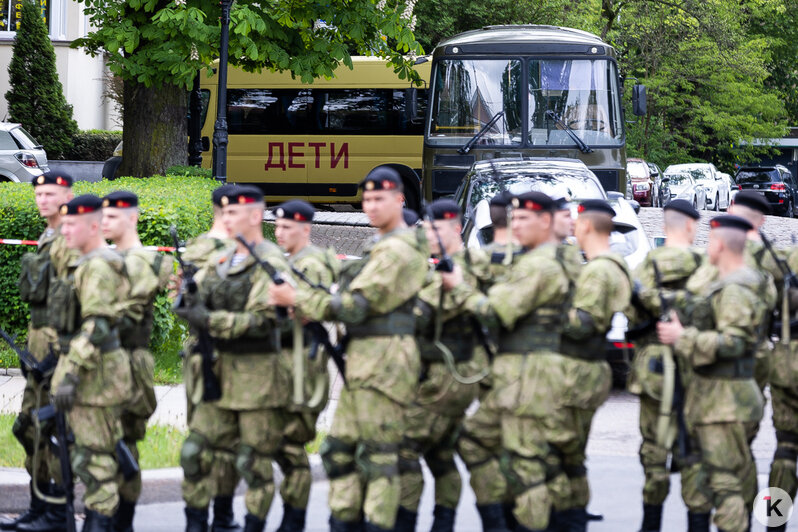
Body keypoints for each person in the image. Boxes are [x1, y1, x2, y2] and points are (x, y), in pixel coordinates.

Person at [269, 167, 428, 532]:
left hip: (386, 364)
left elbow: (356, 305)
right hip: (362, 360)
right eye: (366, 199)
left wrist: (301, 299)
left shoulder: (399, 251)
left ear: (398, 199)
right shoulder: (379, 246)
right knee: (338, 452)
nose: (370, 206)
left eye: (379, 199)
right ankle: (345, 521)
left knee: (379, 456)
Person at [441, 191, 572, 532]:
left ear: (545, 222)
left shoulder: (540, 264)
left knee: (526, 464)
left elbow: (496, 310)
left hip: (531, 374)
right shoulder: (532, 260)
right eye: (515, 217)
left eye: (525, 218)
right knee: (475, 440)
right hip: (516, 373)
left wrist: (459, 287)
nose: (516, 224)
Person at [176, 185, 297, 532]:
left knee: (253, 463)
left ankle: (247, 524)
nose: (225, 219)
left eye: (234, 214)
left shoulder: (269, 261)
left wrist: (211, 320)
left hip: (256, 378)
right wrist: (187, 299)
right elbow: (194, 296)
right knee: (196, 453)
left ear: (256, 216)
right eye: (224, 213)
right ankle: (199, 524)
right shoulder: (223, 259)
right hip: (219, 371)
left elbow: (263, 319)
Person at [658, 215, 774, 532]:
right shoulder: (745, 281)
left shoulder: (736, 288)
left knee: (727, 485)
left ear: (719, 244)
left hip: (725, 402)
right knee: (737, 478)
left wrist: (683, 338)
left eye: (710, 241)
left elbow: (735, 342)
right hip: (728, 397)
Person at [396, 199, 491, 532]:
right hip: (441, 371)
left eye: (434, 229)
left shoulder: (471, 264)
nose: (429, 236)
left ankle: (403, 522)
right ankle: (444, 523)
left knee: (403, 445)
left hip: (454, 373)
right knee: (440, 454)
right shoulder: (445, 265)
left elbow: (432, 309)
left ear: (453, 227)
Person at [49, 195, 135, 531]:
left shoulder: (99, 266)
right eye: (64, 223)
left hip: (96, 378)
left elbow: (98, 326)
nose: (65, 229)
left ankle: (99, 525)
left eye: (73, 224)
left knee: (96, 460)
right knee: (88, 456)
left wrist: (69, 372)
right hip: (91, 373)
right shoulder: (88, 262)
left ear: (95, 226)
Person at [627, 199, 711, 532]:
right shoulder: (705, 266)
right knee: (694, 449)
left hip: (654, 370)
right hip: (696, 366)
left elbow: (631, 314)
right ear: (692, 226)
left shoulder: (647, 266)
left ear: (664, 226)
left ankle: (651, 522)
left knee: (654, 447)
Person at [553, 199, 634, 530]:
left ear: (586, 225)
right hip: (586, 368)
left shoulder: (600, 269)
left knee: (562, 449)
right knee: (571, 453)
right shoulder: (608, 263)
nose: (572, 225)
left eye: (576, 220)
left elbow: (583, 322)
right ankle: (574, 515)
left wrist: (546, 313)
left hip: (581, 371)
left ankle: (567, 517)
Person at [2, 171, 76, 532]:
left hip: (58, 346)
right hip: (38, 342)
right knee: (29, 425)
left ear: (67, 194)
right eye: (39, 193)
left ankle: (56, 512)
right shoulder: (48, 235)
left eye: (51, 193)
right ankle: (37, 505)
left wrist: (61, 353)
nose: (42, 199)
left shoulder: (69, 238)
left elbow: (77, 302)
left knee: (50, 427)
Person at [101, 191, 174, 532]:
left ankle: (122, 520)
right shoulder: (103, 258)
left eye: (112, 216)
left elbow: (123, 313)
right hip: (101, 362)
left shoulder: (146, 261)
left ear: (132, 218)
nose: (104, 222)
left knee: (123, 443)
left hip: (128, 360)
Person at [178, 184, 241, 532]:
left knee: (212, 438)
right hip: (219, 352)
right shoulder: (222, 250)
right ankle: (217, 516)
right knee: (217, 440)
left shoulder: (198, 248)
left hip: (209, 353)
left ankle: (209, 517)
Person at [272, 199, 337, 531]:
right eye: (278, 226)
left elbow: (310, 311)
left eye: (287, 227)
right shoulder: (292, 261)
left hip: (303, 361)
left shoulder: (311, 263)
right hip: (286, 359)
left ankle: (293, 519)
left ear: (306, 228)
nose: (279, 232)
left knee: (290, 442)